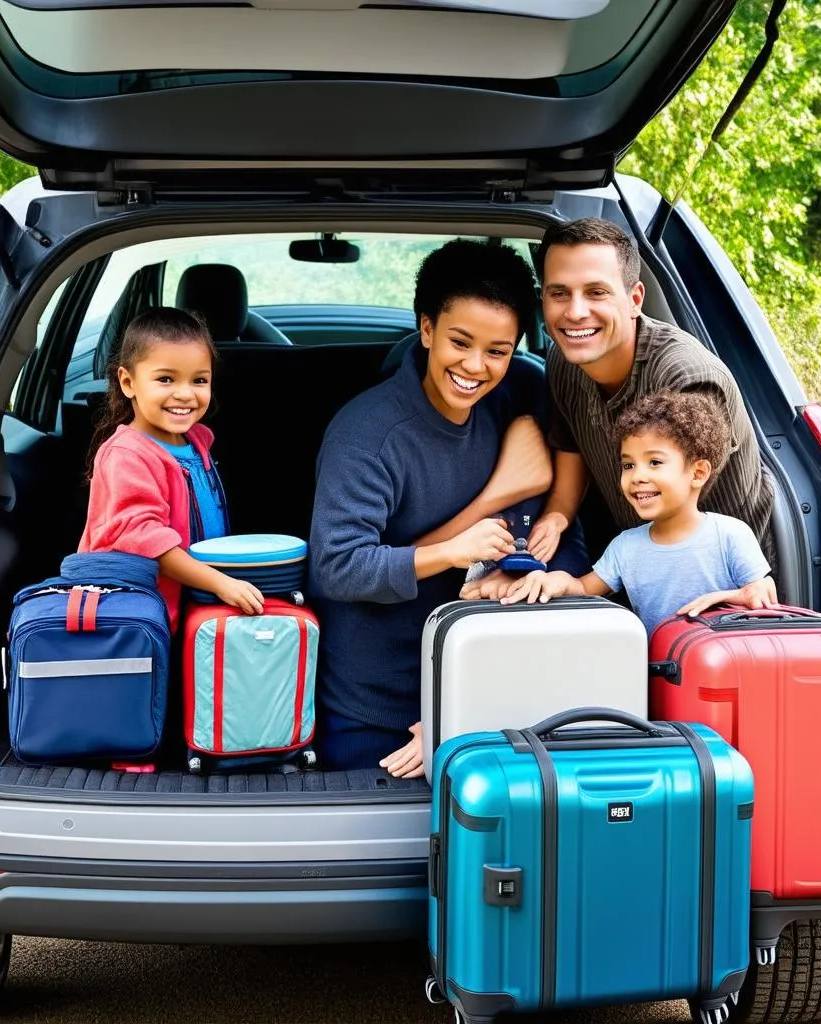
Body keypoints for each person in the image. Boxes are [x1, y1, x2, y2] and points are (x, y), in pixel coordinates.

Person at [309, 239, 567, 779]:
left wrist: (532, 569)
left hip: (492, 692)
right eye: (459, 342)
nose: (475, 367)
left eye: (498, 350)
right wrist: (452, 552)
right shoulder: (369, 436)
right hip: (375, 710)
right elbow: (339, 566)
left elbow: (570, 468)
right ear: (426, 329)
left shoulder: (522, 390)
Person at [468, 217, 777, 592]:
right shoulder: (565, 361)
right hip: (641, 568)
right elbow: (571, 448)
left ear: (634, 300)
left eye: (596, 292)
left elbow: (687, 519)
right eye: (559, 293)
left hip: (725, 587)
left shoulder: (686, 379)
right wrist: (557, 517)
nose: (575, 312)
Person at [477, 389, 776, 635]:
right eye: (628, 465)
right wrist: (554, 580)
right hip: (653, 679)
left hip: (720, 678)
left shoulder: (730, 535)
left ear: (697, 473)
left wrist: (736, 597)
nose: (637, 476)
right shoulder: (626, 547)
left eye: (655, 463)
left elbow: (763, 592)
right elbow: (583, 587)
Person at [78, 306, 263, 633]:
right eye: (165, 379)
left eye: (199, 380)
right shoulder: (127, 455)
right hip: (140, 623)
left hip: (190, 610)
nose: (185, 393)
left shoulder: (196, 443)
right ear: (128, 382)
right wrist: (220, 583)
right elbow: (145, 540)